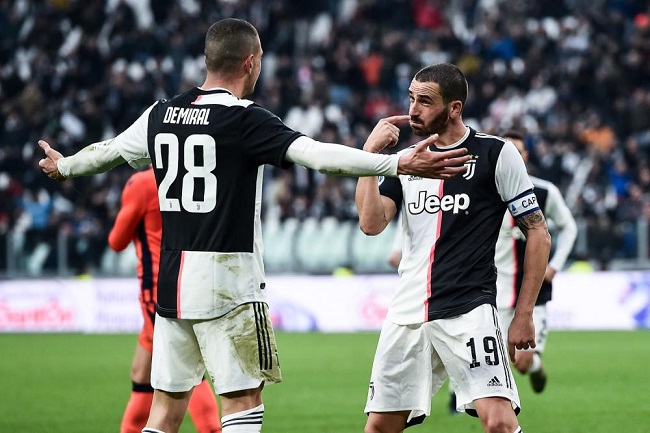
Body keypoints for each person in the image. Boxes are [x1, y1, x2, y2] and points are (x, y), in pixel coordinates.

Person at [37, 19, 471, 433]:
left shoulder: (159, 114)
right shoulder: (244, 119)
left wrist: (67, 165)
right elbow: (318, 156)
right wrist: (396, 162)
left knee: (165, 410)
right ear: (250, 62)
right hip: (228, 283)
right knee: (243, 401)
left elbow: (108, 152)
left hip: (172, 284)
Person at [355, 63, 552, 433]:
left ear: (454, 107)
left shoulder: (496, 153)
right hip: (407, 313)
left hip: (468, 311)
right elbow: (371, 223)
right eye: (411, 99)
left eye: (425, 101)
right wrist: (371, 158)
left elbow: (538, 232)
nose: (413, 110)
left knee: (499, 424)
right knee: (380, 427)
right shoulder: (408, 161)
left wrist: (524, 313)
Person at [108, 166, 222, 433]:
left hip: (158, 289)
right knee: (141, 373)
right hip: (192, 277)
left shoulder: (142, 183)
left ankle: (212, 429)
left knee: (185, 370)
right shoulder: (193, 176)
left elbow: (117, 241)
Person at [495, 131, 578, 393]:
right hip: (494, 289)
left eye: (517, 152)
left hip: (534, 290)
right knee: (493, 358)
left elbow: (568, 227)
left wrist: (555, 265)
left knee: (522, 360)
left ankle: (534, 366)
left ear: (525, 156)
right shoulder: (486, 193)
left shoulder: (544, 191)